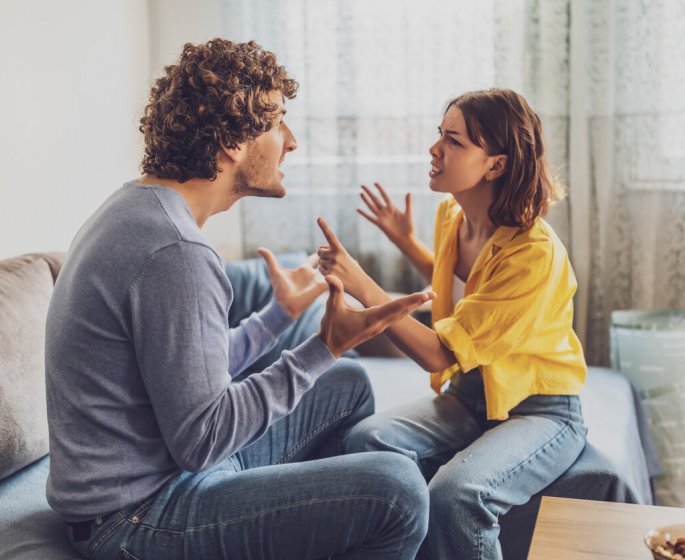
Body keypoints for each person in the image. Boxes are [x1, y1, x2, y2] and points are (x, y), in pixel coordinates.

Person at [45, 39, 434, 560]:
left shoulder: (138, 208)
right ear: (231, 141)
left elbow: (184, 373)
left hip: (159, 479)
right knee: (398, 490)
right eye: (277, 123)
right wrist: (325, 345)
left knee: (347, 384)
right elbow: (202, 439)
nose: (291, 141)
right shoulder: (175, 250)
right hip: (135, 517)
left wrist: (280, 317)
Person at [316, 88, 588, 559]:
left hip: (540, 409)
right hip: (469, 395)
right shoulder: (453, 215)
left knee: (457, 494)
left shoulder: (534, 254)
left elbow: (441, 351)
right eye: (439, 135)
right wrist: (406, 241)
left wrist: (365, 285)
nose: (434, 149)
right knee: (367, 439)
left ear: (495, 165)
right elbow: (466, 291)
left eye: (454, 141)